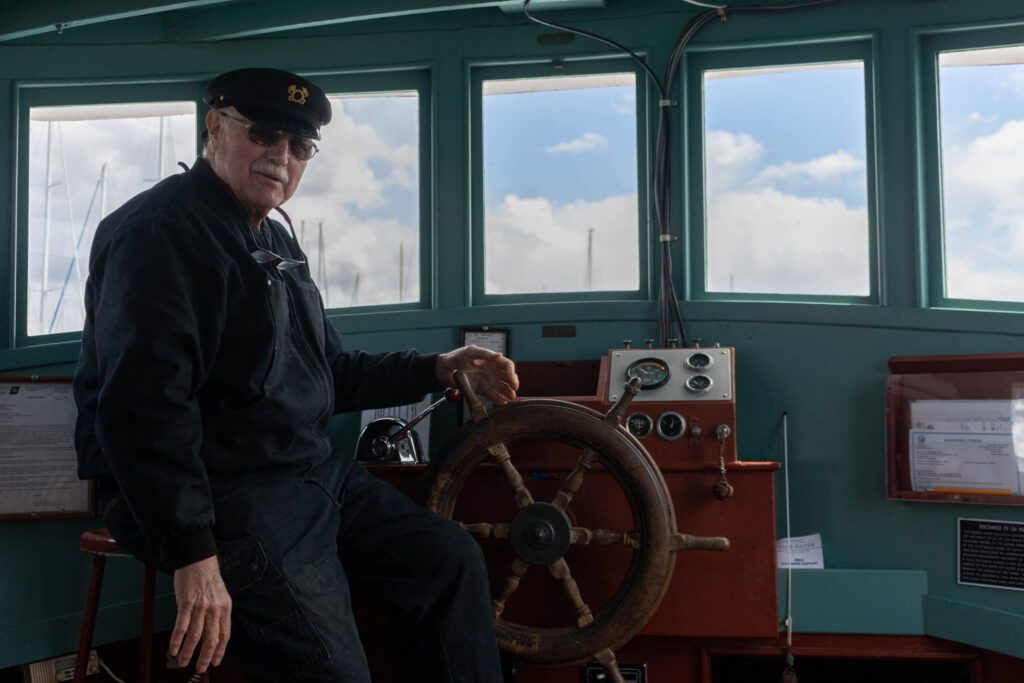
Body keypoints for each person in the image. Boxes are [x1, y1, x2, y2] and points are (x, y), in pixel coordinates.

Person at [73, 67, 518, 683]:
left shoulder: (274, 238)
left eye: (300, 146)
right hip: (220, 491)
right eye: (263, 134)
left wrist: (434, 367)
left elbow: (327, 370)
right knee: (331, 672)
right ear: (214, 129)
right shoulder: (160, 234)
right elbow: (141, 410)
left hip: (308, 474)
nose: (280, 157)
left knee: (448, 563)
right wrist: (192, 553)